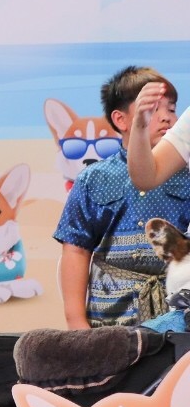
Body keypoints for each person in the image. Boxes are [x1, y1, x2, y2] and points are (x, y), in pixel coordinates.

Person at [54, 66, 190, 328]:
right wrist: (76, 321)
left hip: (177, 314)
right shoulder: (93, 178)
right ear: (121, 120)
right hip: (108, 318)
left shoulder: (186, 175)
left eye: (172, 109)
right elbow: (76, 249)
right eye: (153, 109)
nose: (166, 118)